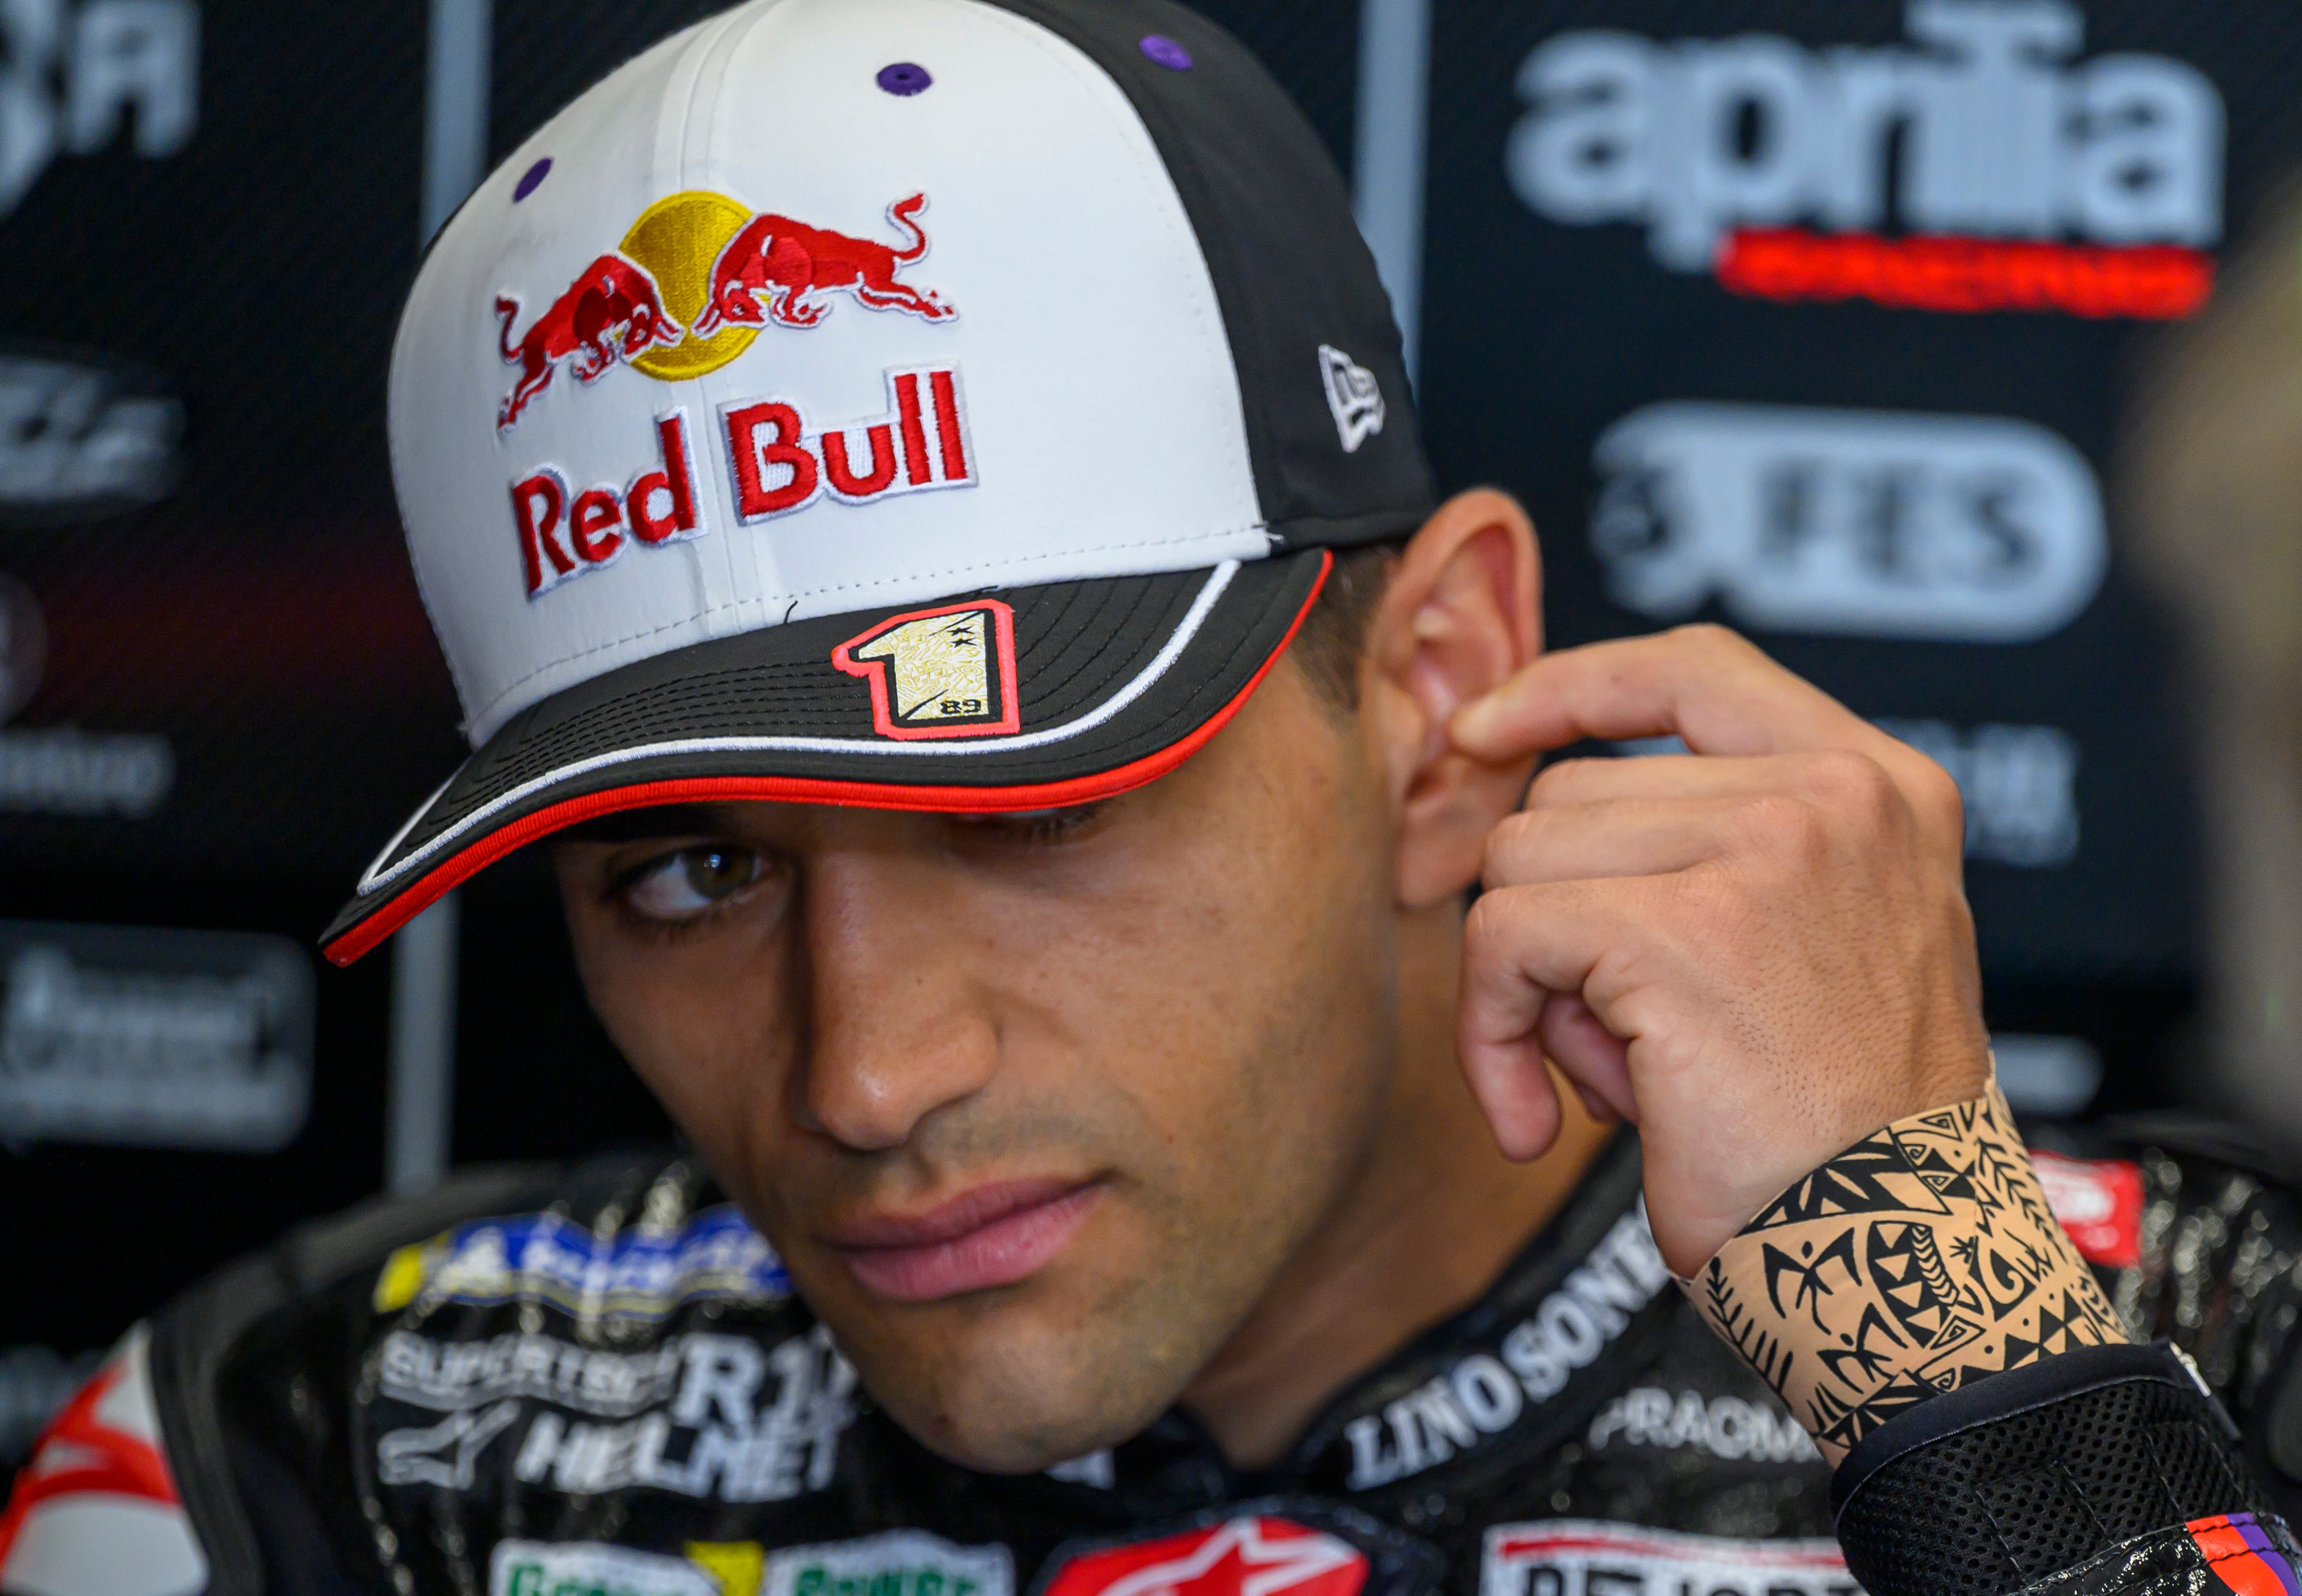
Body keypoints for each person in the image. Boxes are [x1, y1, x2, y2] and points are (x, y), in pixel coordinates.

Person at [6, 3, 2299, 1595]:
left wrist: (1974, 1388)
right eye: (693, 867)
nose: (870, 1071)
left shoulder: (2205, 1354)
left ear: (1440, 684)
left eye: (1030, 808)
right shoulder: (333, 1452)